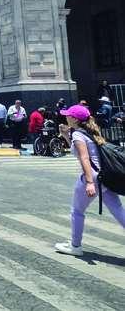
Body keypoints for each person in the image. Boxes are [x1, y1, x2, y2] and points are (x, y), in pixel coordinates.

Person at [54, 104, 125, 256]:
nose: (65, 117)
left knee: (77, 211)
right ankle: (74, 244)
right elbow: (80, 152)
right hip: (103, 176)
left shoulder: (78, 135)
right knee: (119, 211)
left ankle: (75, 246)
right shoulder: (88, 132)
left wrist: (89, 182)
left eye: (68, 115)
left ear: (74, 119)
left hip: (92, 176)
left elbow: (84, 158)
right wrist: (66, 135)